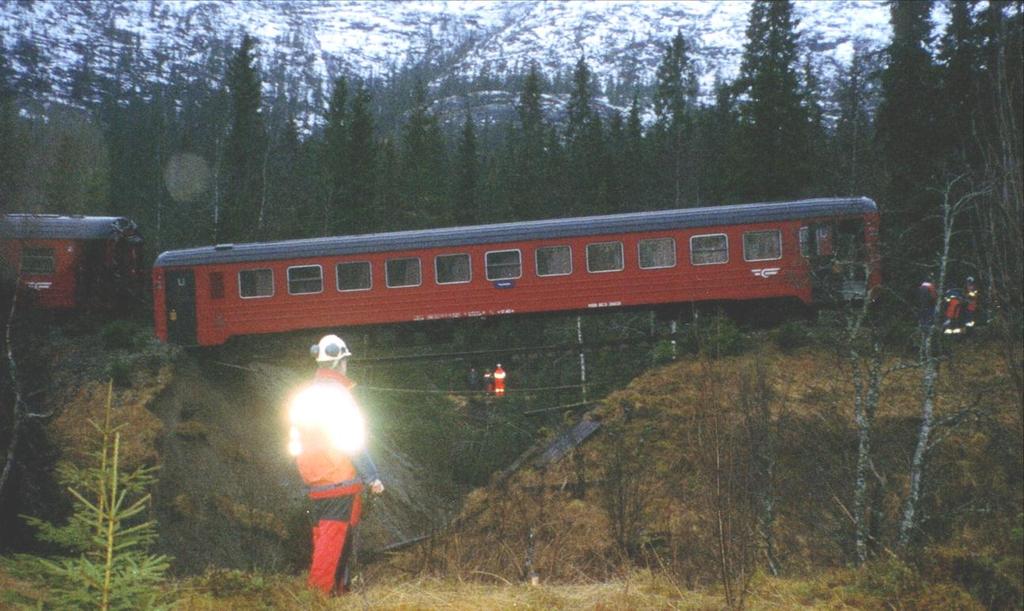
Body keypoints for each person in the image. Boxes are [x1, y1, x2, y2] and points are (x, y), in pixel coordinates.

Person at [288, 334, 384, 595]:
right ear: (341, 362)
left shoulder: (304, 395)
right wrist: (372, 475)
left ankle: (335, 593)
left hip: (313, 480)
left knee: (322, 539)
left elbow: (295, 440)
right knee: (333, 542)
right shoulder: (339, 397)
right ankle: (319, 597)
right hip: (338, 479)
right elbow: (351, 440)